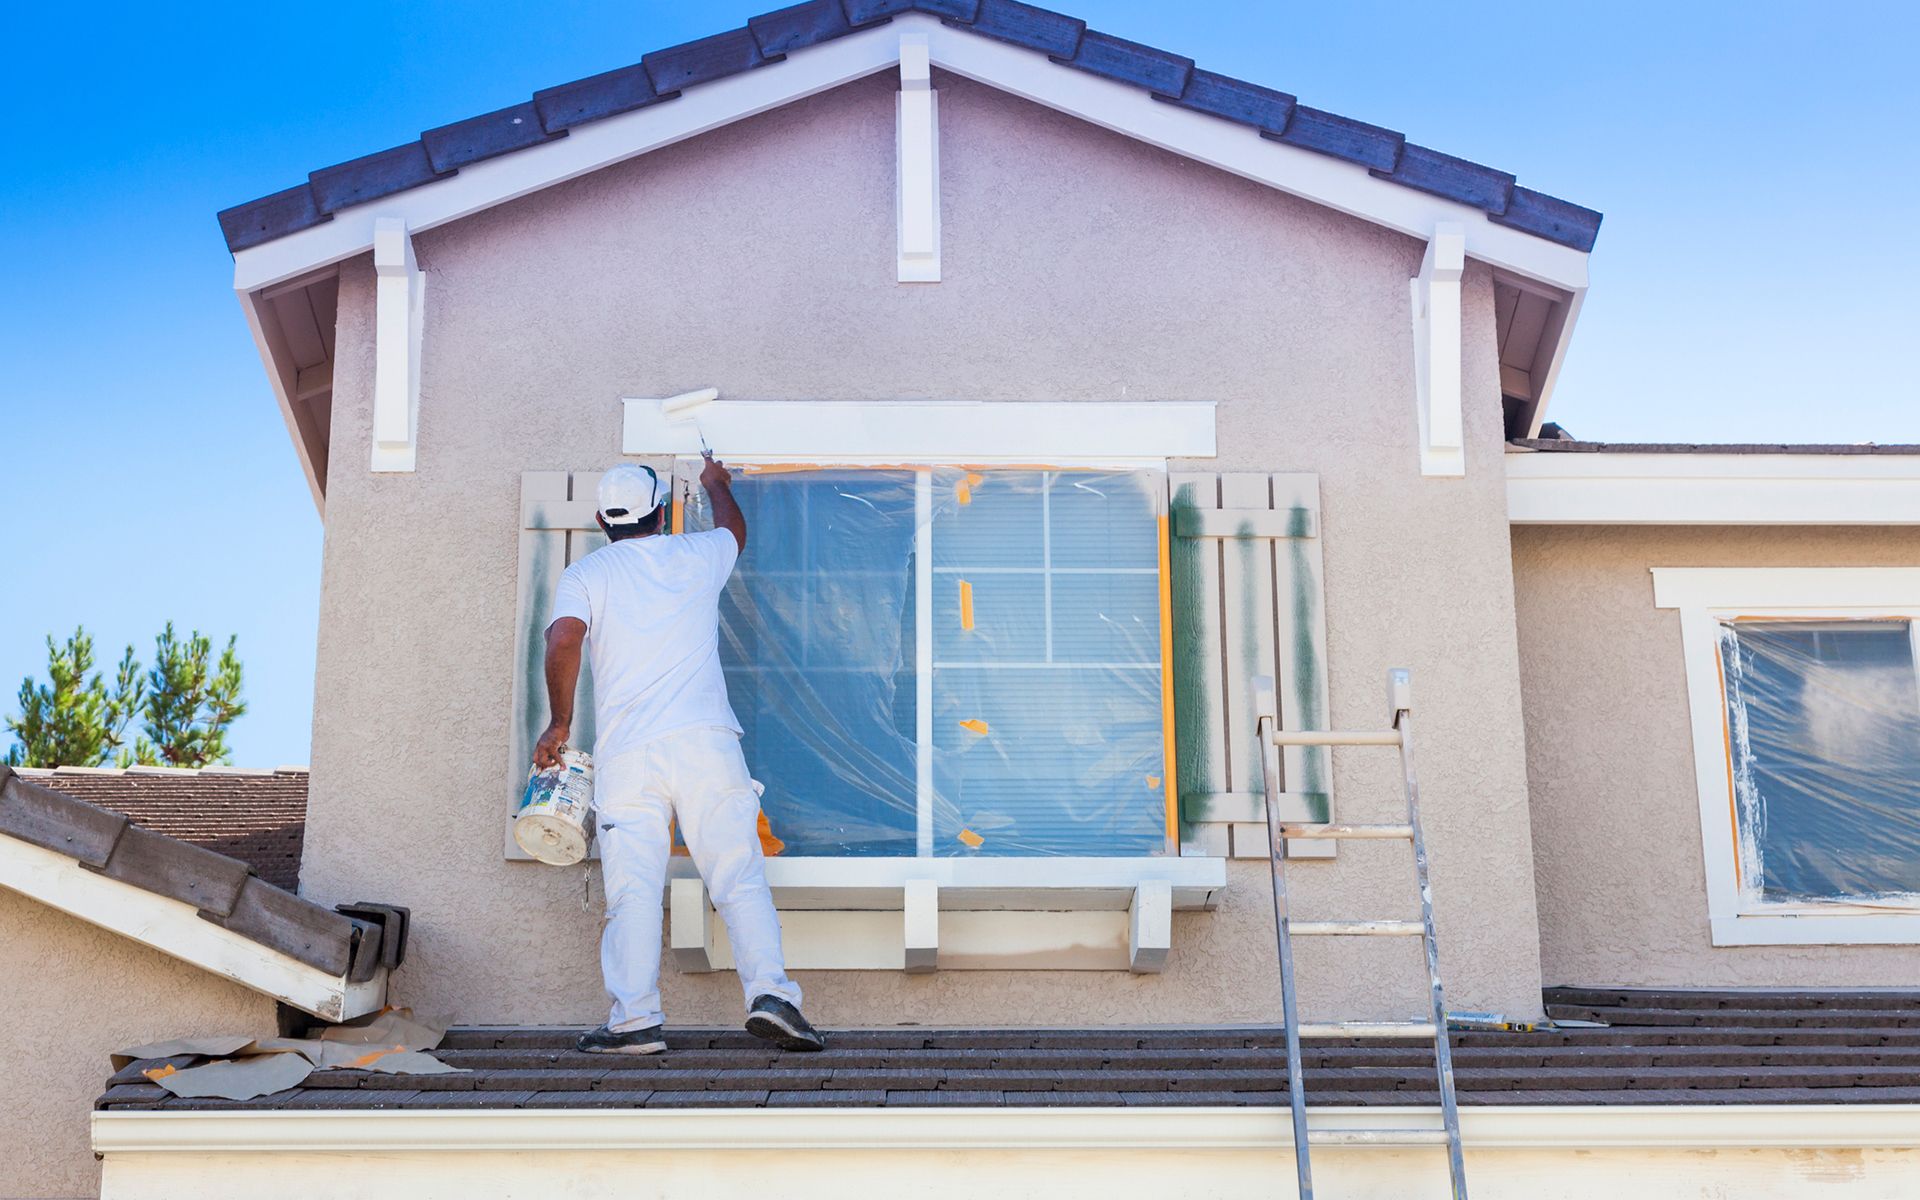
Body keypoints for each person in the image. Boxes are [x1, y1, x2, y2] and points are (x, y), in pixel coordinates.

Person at [535, 456, 822, 1055]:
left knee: (633, 891)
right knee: (738, 875)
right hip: (706, 745)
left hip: (629, 757)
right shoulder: (695, 556)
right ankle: (773, 996)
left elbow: (564, 638)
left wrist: (559, 723)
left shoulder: (586, 574)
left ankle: (634, 1021)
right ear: (661, 514)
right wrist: (718, 485)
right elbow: (733, 533)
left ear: (599, 521)